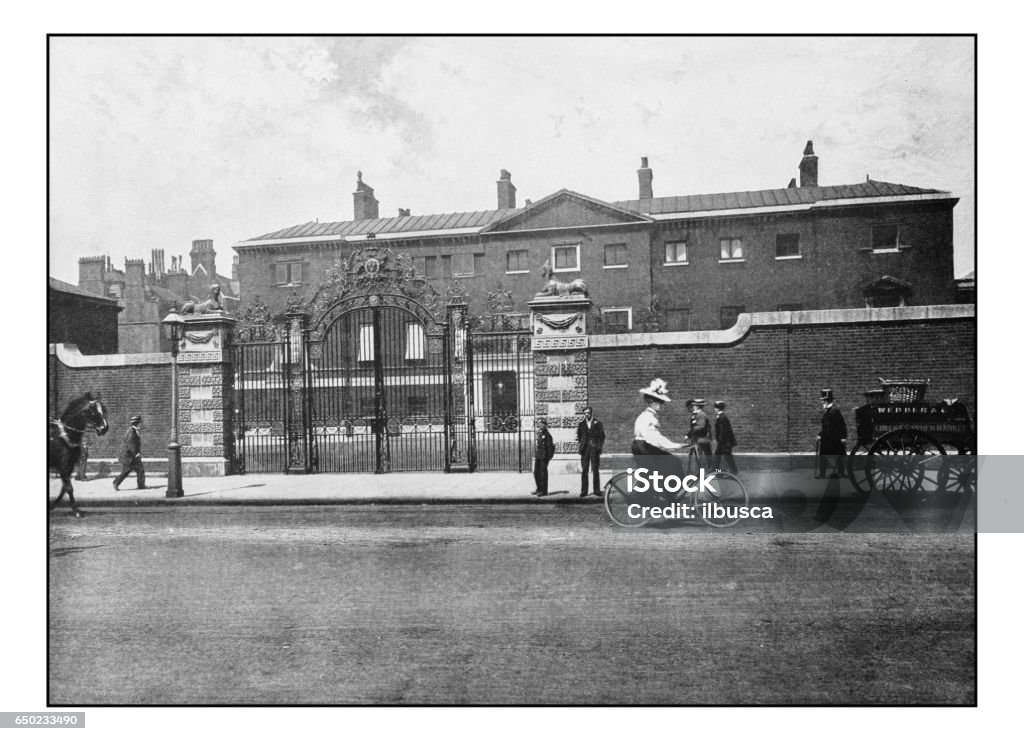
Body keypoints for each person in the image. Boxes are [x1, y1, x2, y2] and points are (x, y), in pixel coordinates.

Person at [633, 379, 686, 484]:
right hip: (644, 447)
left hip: (641, 445)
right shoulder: (649, 418)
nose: (662, 404)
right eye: (660, 402)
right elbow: (655, 439)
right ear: (652, 402)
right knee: (674, 462)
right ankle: (670, 493)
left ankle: (665, 491)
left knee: (663, 467)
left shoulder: (646, 416)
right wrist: (675, 445)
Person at [817, 389, 847, 478]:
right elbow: (826, 427)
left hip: (833, 439)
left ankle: (837, 473)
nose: (822, 403)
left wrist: (843, 437)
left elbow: (841, 425)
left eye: (823, 401)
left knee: (833, 456)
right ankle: (824, 473)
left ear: (826, 401)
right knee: (827, 455)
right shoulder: (829, 411)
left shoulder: (834, 411)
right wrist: (820, 434)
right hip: (829, 438)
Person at [576, 406, 605, 498]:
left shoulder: (598, 423)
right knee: (585, 470)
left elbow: (602, 436)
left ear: (591, 413)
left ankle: (597, 490)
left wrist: (598, 446)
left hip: (594, 449)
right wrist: (583, 445)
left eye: (588, 413)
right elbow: (579, 436)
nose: (586, 415)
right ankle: (584, 491)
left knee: (595, 469)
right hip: (585, 450)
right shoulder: (581, 424)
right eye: (585, 413)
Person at [113, 415, 146, 491]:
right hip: (130, 456)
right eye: (140, 423)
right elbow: (131, 444)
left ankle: (141, 485)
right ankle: (116, 483)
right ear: (137, 423)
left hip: (132, 456)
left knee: (140, 469)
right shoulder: (132, 431)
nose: (141, 424)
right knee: (126, 471)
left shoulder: (133, 430)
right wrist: (136, 454)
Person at [713, 400, 738, 474]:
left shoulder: (722, 418)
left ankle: (732, 472)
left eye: (715, 407)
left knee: (724, 458)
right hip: (724, 442)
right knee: (722, 458)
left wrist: (720, 442)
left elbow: (723, 431)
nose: (714, 409)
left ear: (718, 408)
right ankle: (720, 472)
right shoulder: (721, 417)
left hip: (724, 443)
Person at [532, 417, 555, 497]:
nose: (540, 425)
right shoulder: (539, 433)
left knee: (543, 474)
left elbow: (550, 447)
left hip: (544, 457)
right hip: (538, 456)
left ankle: (543, 490)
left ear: (545, 425)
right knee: (536, 472)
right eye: (539, 424)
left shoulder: (547, 435)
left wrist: (548, 457)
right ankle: (538, 488)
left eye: (542, 424)